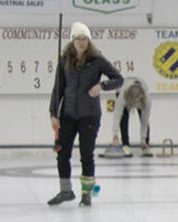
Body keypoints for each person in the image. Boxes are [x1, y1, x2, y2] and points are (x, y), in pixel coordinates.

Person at [47, 22, 122, 206]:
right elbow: (58, 88)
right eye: (78, 39)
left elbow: (118, 79)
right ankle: (66, 191)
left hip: (90, 115)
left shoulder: (97, 59)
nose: (82, 42)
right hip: (68, 114)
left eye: (85, 39)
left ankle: (86, 194)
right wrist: (53, 113)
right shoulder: (64, 59)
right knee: (62, 153)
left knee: (86, 154)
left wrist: (101, 86)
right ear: (72, 40)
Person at [110, 76, 151, 156]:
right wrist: (115, 135)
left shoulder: (147, 99)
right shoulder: (123, 96)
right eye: (133, 101)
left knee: (144, 119)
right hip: (123, 88)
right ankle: (125, 144)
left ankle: (145, 144)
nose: (135, 103)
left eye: (137, 101)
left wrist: (143, 139)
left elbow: (144, 121)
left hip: (141, 93)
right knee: (123, 118)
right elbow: (117, 116)